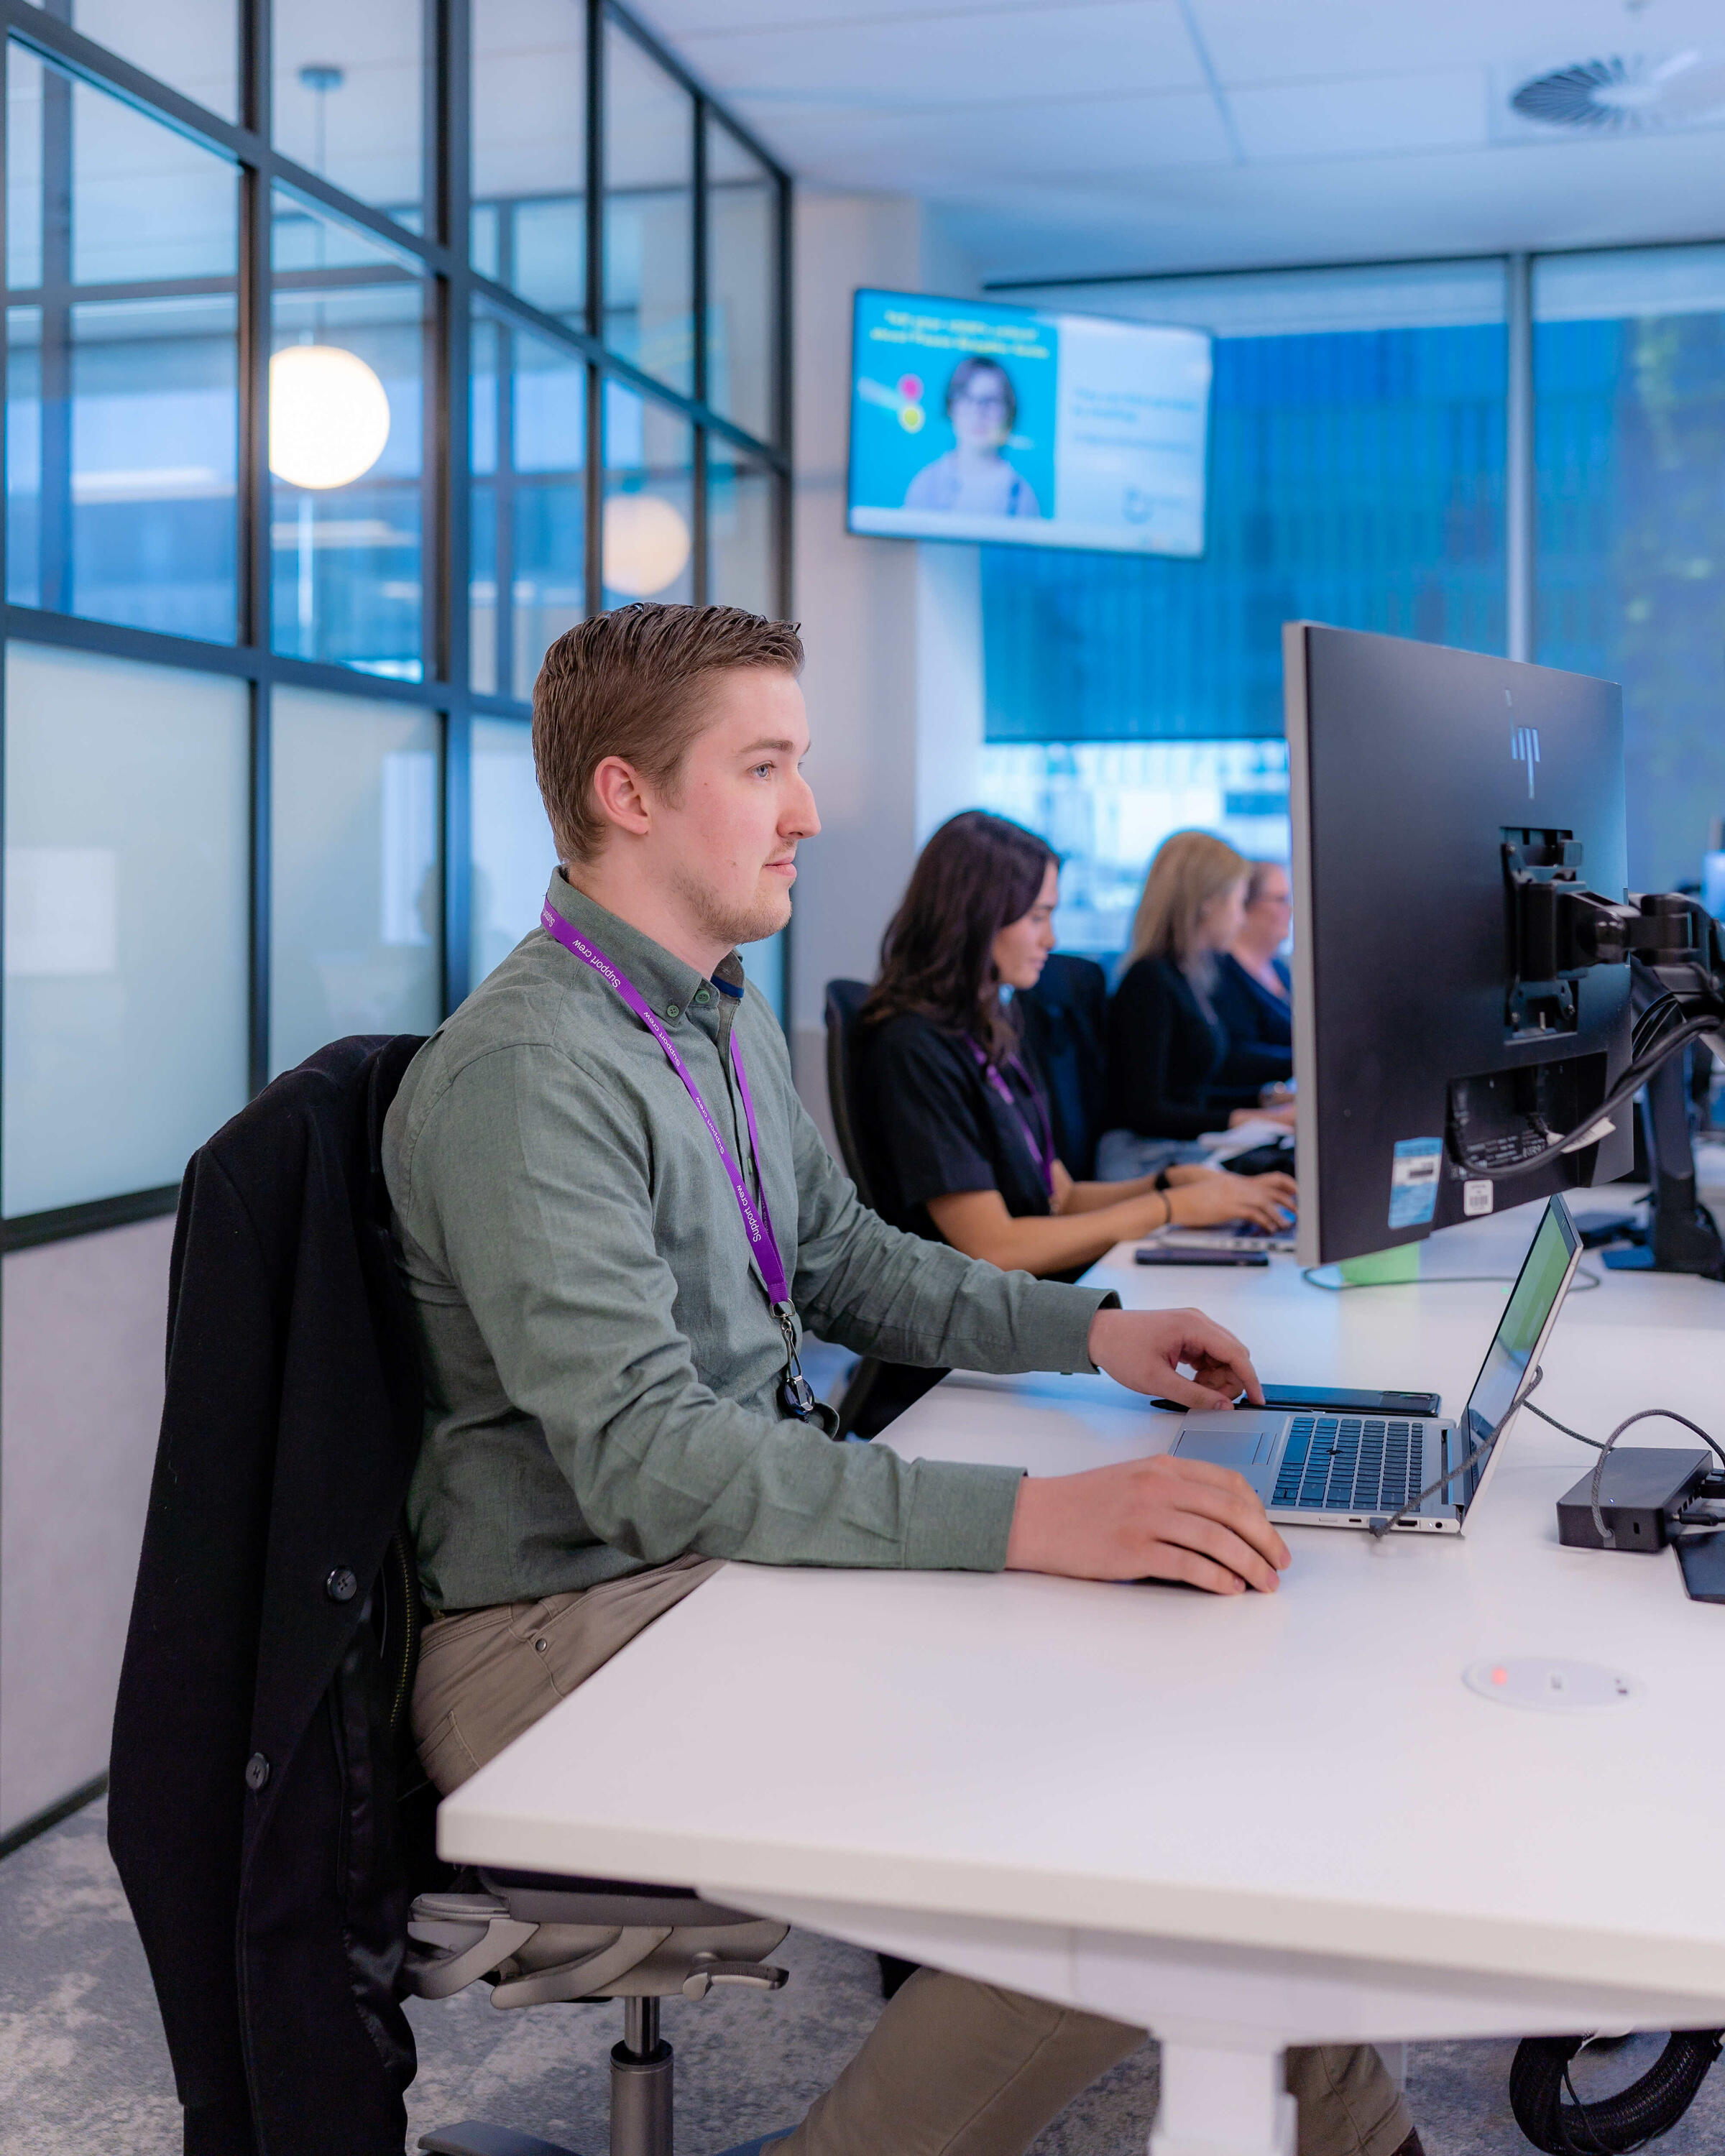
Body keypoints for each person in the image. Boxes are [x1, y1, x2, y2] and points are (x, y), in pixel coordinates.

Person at [384, 604, 1419, 2156]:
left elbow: (850, 1262)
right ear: (627, 794)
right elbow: (652, 1460)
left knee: (1183, 1718)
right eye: (768, 767)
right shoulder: (536, 1075)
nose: (808, 813)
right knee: (1118, 1818)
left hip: (692, 1566)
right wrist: (1039, 1519)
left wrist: (1094, 1330)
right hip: (561, 1633)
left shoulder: (706, 1017)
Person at [859, 811, 1297, 1280]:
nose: (1052, 938)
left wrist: (1171, 1183)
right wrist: (1170, 1207)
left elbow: (1062, 1198)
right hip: (983, 1321)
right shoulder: (914, 1049)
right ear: (977, 918)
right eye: (1037, 917)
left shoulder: (991, 1031)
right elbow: (996, 1248)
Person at [1103, 831, 1297, 1172]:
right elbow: (1146, 1111)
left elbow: (1190, 1091)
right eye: (1238, 903)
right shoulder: (1149, 981)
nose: (1240, 918)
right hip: (1146, 1160)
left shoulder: (1190, 975)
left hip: (1176, 1149)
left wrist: (1265, 1103)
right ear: (1208, 903)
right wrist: (1249, 1117)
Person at [904, 354, 1042, 519]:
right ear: (951, 408)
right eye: (967, 398)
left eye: (990, 401)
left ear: (1008, 413)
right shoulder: (926, 485)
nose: (978, 412)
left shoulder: (1022, 497)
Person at [1213, 857, 1294, 1077]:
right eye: (1281, 899)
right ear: (1246, 905)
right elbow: (1235, 1055)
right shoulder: (1221, 974)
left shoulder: (1279, 969)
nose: (1290, 910)